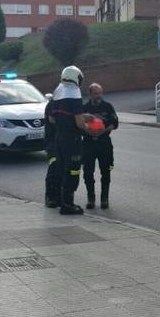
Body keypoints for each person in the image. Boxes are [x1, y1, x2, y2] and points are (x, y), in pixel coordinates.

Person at [50, 66, 97, 215]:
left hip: (59, 137)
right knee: (73, 170)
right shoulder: (74, 92)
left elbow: (53, 118)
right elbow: (78, 122)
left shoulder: (58, 91)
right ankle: (68, 205)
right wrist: (88, 129)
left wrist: (83, 116)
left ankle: (59, 199)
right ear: (76, 77)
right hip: (72, 139)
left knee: (62, 168)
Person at [82, 83, 118, 209]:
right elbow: (79, 125)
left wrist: (103, 131)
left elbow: (115, 123)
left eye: (100, 93)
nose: (98, 96)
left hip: (104, 143)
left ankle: (104, 199)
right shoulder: (84, 108)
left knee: (106, 172)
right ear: (90, 94)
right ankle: (91, 198)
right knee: (87, 172)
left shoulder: (107, 106)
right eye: (96, 93)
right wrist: (88, 132)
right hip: (88, 143)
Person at [43, 96, 61, 208]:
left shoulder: (67, 102)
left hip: (64, 141)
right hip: (53, 142)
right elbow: (52, 119)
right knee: (54, 168)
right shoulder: (53, 104)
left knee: (64, 170)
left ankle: (60, 197)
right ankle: (50, 197)